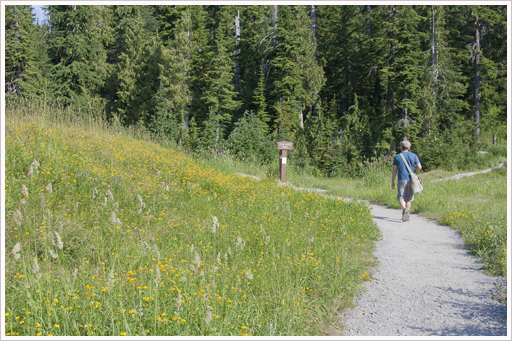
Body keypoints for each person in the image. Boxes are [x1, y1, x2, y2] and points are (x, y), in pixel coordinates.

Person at [391, 140, 422, 222]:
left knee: (401, 196)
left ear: (401, 147)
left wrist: (393, 181)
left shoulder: (397, 157)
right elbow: (419, 167)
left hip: (402, 179)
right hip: (411, 180)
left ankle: (404, 209)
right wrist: (413, 173)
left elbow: (394, 170)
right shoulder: (414, 155)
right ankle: (407, 215)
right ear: (409, 147)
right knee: (409, 198)